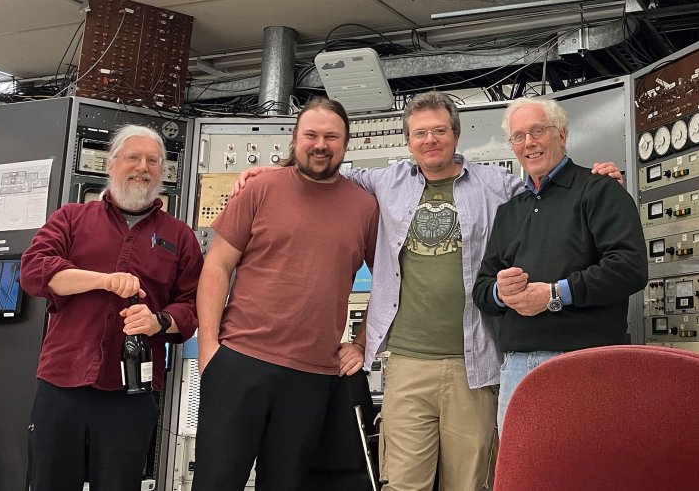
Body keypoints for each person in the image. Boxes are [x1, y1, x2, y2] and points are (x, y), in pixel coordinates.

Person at [233, 91, 621, 491]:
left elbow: (549, 191)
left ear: (456, 135)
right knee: (403, 484)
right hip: (407, 362)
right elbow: (324, 167)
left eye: (439, 131)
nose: (430, 140)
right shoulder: (386, 181)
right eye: (420, 133)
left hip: (475, 363)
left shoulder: (496, 184)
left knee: (470, 484)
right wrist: (272, 172)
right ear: (408, 140)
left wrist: (597, 181)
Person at [191, 97, 379, 491]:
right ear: (294, 139)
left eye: (331, 137)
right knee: (215, 482)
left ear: (346, 143)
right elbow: (217, 266)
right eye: (311, 135)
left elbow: (390, 283)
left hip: (312, 377)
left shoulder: (365, 207)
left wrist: (362, 343)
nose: (320, 145)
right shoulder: (260, 189)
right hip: (240, 362)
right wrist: (208, 348)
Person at [20, 124, 204, 491]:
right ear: (111, 164)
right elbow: (35, 271)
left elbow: (192, 305)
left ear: (163, 171)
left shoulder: (179, 236)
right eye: (133, 157)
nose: (143, 167)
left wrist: (158, 321)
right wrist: (103, 280)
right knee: (50, 481)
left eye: (153, 160)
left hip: (132, 393)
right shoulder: (71, 219)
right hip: (63, 382)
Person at [472, 97, 648, 437]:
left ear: (562, 135)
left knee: (585, 464)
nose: (529, 143)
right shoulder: (509, 212)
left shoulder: (599, 190)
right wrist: (500, 292)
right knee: (522, 467)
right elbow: (482, 289)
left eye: (538, 131)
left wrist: (555, 294)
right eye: (519, 136)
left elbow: (630, 267)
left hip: (584, 364)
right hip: (516, 368)